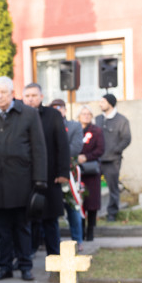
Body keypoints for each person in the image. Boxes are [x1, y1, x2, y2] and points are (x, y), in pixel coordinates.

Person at [0, 76, 47, 281]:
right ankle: (5, 266)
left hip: (22, 180)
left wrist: (40, 180)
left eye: (4, 93)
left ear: (12, 93)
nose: (0, 96)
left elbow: (39, 149)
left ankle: (25, 265)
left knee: (22, 226)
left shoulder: (28, 114)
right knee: (1, 228)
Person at [22, 83, 70, 260]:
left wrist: (63, 172)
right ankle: (27, 256)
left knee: (50, 220)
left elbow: (62, 145)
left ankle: (55, 258)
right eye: (27, 96)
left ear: (41, 97)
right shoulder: (19, 115)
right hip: (25, 177)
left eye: (34, 95)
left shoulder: (53, 115)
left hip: (50, 176)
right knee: (28, 220)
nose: (30, 99)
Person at [51, 99, 85, 247]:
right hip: (51, 171)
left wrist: (58, 155)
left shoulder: (74, 126)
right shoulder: (46, 126)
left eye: (60, 108)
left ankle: (78, 240)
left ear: (65, 110)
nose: (58, 111)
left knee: (73, 206)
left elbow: (76, 147)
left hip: (69, 170)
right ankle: (52, 242)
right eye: (54, 108)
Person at [95, 93, 131, 221]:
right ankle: (93, 214)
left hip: (112, 161)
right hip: (97, 159)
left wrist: (115, 151)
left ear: (110, 103)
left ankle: (112, 214)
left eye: (103, 102)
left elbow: (126, 139)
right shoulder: (98, 119)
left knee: (113, 188)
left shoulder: (122, 120)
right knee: (92, 187)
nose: (100, 104)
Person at [77, 105, 105, 241]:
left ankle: (91, 231)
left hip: (92, 171)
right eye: (83, 114)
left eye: (88, 114)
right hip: (78, 172)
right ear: (79, 116)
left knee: (92, 203)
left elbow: (100, 149)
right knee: (80, 202)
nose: (86, 116)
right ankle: (80, 230)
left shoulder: (97, 131)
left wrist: (86, 157)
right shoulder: (75, 130)